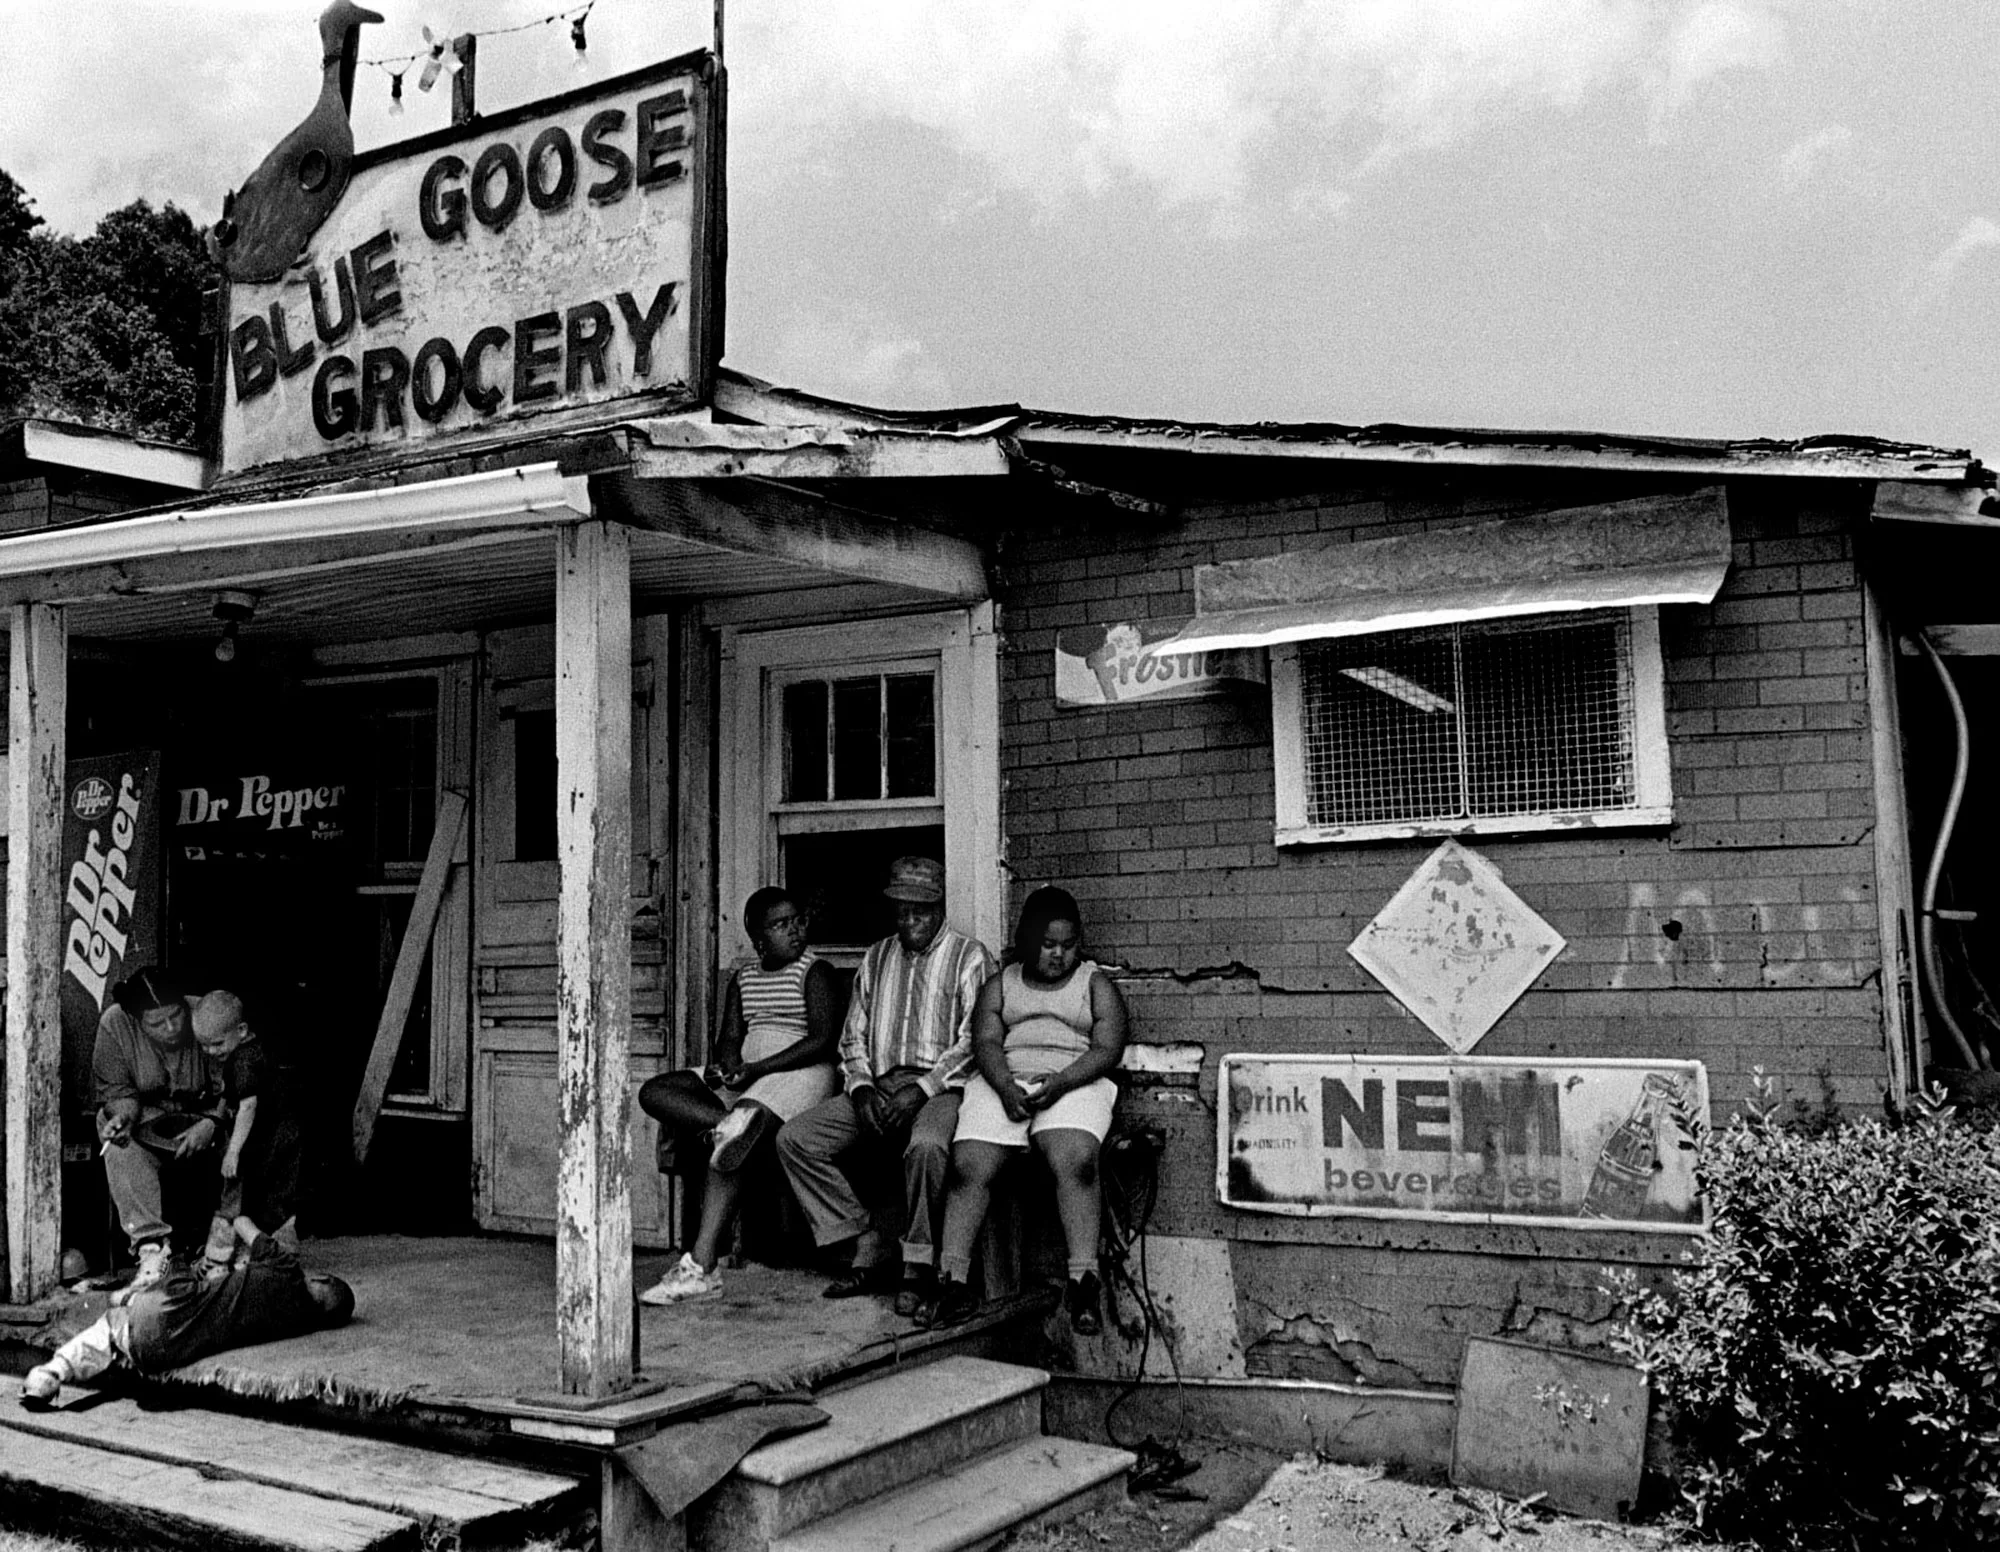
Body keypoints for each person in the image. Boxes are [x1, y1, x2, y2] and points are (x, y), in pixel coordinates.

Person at [776, 857, 996, 1316]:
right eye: (900, 911)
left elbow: (974, 1042)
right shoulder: (877, 956)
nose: (908, 921)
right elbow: (852, 1034)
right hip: (877, 1086)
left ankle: (915, 1267)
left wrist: (923, 1089)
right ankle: (867, 1243)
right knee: (796, 1139)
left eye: (919, 911)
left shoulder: (969, 956)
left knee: (928, 1149)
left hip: (942, 1088)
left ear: (938, 908)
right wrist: (859, 1087)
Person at [917, 886, 1127, 1335]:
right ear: (1027, 939)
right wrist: (1005, 1087)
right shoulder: (1002, 984)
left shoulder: (1094, 984)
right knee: (970, 1162)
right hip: (1006, 1081)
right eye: (1048, 945)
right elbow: (986, 1042)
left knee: (1074, 1158)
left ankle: (1083, 1281)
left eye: (1068, 946)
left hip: (1074, 1079)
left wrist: (1065, 1081)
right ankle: (950, 1279)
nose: (1058, 955)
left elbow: (1108, 1047)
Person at [638, 887, 841, 1304]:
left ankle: (701, 1266)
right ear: (758, 937)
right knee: (656, 1090)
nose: (795, 931)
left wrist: (757, 1070)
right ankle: (724, 1122)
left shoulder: (814, 971)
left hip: (800, 1073)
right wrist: (727, 1065)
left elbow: (822, 1041)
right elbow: (730, 1036)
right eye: (782, 925)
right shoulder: (744, 977)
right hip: (749, 1078)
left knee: (736, 1138)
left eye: (798, 921)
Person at [18, 1215, 354, 1403]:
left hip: (167, 1307)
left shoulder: (287, 1270)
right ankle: (126, 1310)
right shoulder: (296, 1324)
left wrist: (238, 1222)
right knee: (122, 1329)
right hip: (162, 1353)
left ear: (322, 1279)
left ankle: (51, 1373)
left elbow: (241, 1222)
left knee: (169, 1259)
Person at [92, 966, 228, 1294]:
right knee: (111, 1133)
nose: (170, 1028)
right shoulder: (114, 1023)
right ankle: (151, 1247)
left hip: (207, 1113)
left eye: (176, 1017)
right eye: (156, 1023)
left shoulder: (206, 1013)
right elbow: (119, 1092)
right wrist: (121, 1118)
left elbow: (235, 1086)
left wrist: (212, 1124)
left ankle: (227, 1243)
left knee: (245, 1130)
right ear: (137, 1020)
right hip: (149, 1116)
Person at [190, 990, 306, 1280]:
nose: (211, 1052)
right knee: (274, 1197)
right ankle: (269, 1250)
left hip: (261, 1139)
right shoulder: (254, 1049)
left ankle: (220, 1259)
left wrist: (233, 1151)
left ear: (241, 1031)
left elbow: (248, 1106)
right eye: (203, 1046)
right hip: (282, 1135)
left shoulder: (243, 1062)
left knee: (234, 1197)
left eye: (216, 1044)